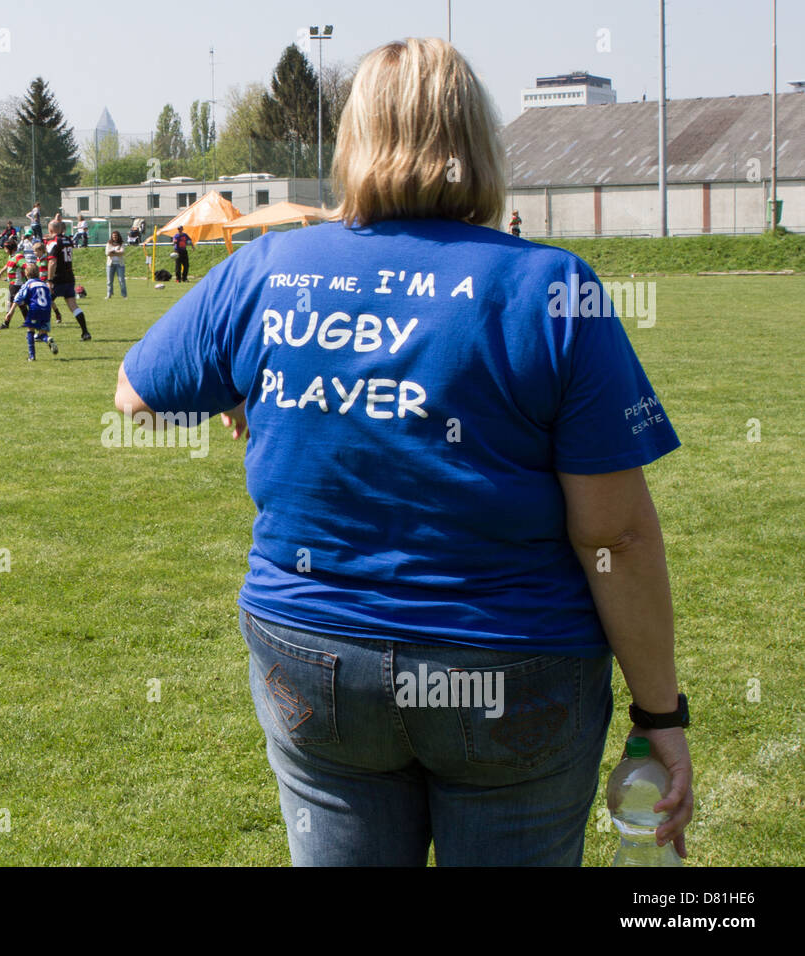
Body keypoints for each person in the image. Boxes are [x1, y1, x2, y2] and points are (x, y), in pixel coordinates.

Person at [114, 37, 691, 867]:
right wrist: (660, 716)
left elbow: (136, 395)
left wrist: (240, 392)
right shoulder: (550, 287)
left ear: (354, 141)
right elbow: (615, 538)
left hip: (315, 662)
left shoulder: (272, 266)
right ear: (477, 145)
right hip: (511, 666)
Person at [45, 220, 91, 341]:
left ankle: (41, 333)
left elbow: (52, 262)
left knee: (44, 303)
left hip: (57, 278)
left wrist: (50, 280)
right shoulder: (68, 240)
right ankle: (85, 332)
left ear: (50, 230)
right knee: (73, 306)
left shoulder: (53, 242)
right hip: (69, 277)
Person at [4, 263, 57, 361]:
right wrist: (56, 312)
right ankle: (47, 339)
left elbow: (18, 297)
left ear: (26, 274)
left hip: (34, 309)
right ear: (38, 273)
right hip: (46, 311)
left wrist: (10, 312)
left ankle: (32, 356)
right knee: (42, 334)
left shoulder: (28, 284)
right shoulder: (44, 284)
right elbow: (50, 300)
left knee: (30, 330)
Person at [104, 231, 127, 300]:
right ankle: (109, 294)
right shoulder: (109, 243)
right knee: (109, 281)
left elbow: (122, 252)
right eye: (113, 236)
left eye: (116, 236)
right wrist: (117, 252)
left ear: (118, 236)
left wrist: (113, 252)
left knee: (121, 280)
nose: (114, 237)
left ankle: (124, 295)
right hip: (110, 265)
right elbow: (107, 253)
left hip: (120, 264)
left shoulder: (121, 244)